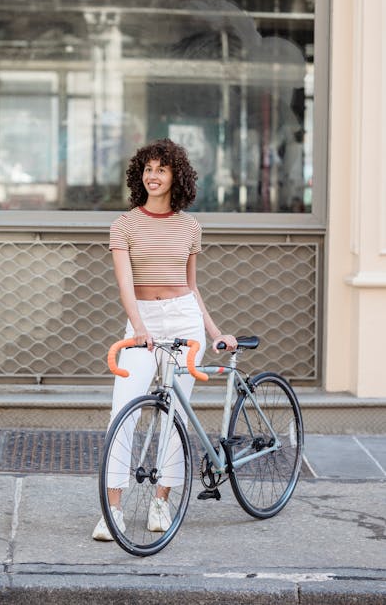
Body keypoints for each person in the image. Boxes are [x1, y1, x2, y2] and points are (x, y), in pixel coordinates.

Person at [92, 138, 237, 541]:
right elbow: (125, 284)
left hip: (184, 320)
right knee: (122, 411)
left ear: (176, 176)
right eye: (148, 169)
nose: (153, 177)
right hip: (142, 321)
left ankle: (162, 501)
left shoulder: (190, 227)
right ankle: (113, 511)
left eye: (161, 169)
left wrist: (214, 332)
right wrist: (138, 327)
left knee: (175, 414)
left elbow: (192, 287)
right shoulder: (124, 225)